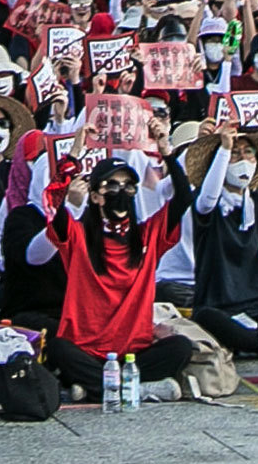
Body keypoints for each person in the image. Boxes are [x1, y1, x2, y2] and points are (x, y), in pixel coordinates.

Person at [36, 153, 200, 404]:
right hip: (87, 351)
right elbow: (52, 204)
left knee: (180, 347)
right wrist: (70, 165)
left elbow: (184, 197)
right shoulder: (78, 236)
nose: (121, 191)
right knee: (58, 348)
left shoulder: (148, 236)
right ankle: (136, 390)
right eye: (111, 185)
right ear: (95, 197)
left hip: (133, 353)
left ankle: (95, 389)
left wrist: (168, 152)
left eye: (128, 185)